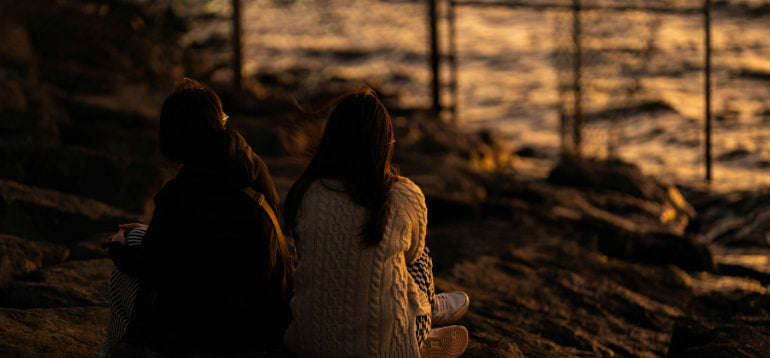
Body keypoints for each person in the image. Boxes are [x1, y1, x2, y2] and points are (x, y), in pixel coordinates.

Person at [103, 79, 293, 357]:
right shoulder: (255, 170)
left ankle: (114, 352)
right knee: (140, 236)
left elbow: (152, 267)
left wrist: (117, 247)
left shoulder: (180, 194)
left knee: (124, 268)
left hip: (204, 333)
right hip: (264, 324)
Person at [282, 88, 470, 358]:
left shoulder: (306, 192)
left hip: (311, 343)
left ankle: (428, 313)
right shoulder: (402, 195)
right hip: (383, 348)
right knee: (418, 256)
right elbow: (413, 255)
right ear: (384, 143)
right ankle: (425, 319)